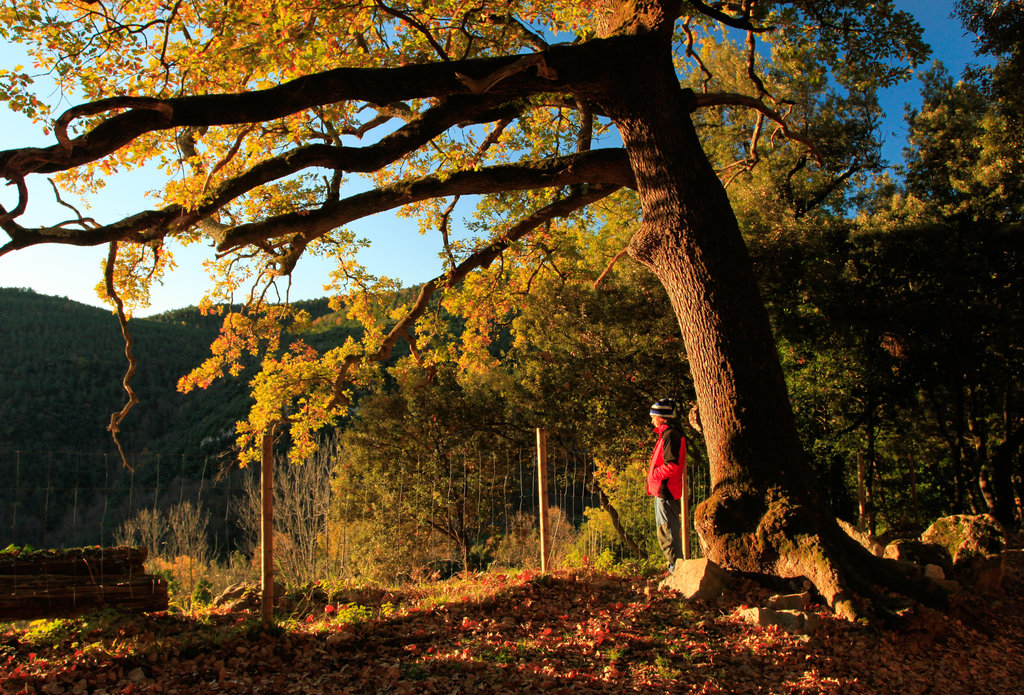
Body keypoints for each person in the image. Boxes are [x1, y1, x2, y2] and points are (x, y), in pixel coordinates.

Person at [646, 398, 685, 574]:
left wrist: (654, 475)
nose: (652, 420)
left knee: (667, 531)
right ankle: (674, 567)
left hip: (665, 490)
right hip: (664, 489)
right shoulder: (668, 434)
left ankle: (675, 570)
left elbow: (672, 465)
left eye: (653, 416)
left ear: (663, 417)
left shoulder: (670, 435)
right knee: (667, 529)